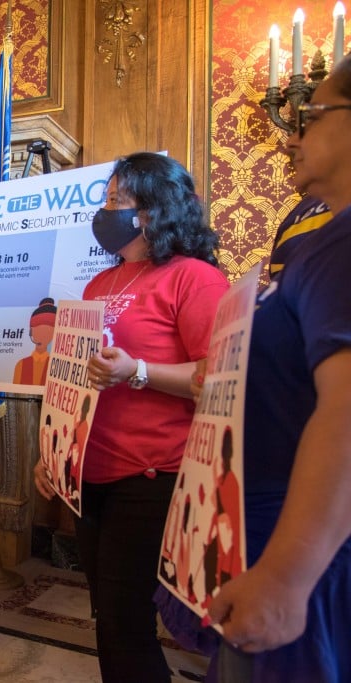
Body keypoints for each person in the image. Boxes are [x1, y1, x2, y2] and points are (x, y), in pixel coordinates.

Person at [166, 54, 351, 683]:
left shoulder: (345, 241)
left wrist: (286, 575)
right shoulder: (315, 234)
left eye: (314, 115)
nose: (294, 136)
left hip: (306, 550)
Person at [33, 152, 229, 683]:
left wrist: (138, 371)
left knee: (125, 622)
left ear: (154, 207)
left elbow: (221, 375)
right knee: (109, 617)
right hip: (90, 473)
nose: (106, 209)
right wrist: (53, 453)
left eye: (117, 199)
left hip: (153, 474)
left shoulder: (194, 278)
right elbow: (74, 380)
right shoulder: (101, 283)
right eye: (106, 199)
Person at [13, 297, 57, 385]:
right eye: (39, 330)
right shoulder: (21, 365)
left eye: (47, 332)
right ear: (31, 331)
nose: (42, 336)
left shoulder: (56, 365)